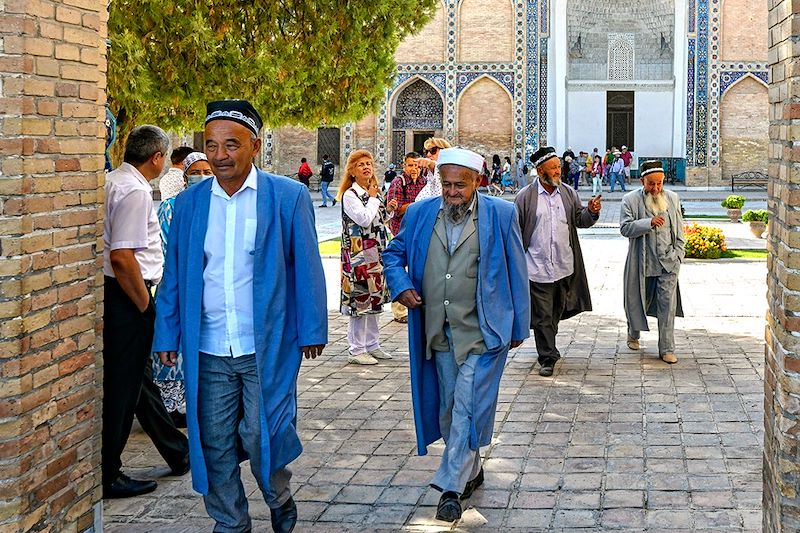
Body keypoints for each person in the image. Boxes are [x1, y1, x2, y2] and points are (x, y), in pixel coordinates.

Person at [153, 100, 328, 533]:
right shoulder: (191, 203)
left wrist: (311, 327)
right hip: (208, 345)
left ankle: (278, 497)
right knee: (212, 441)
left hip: (265, 344)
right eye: (210, 146)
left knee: (262, 434)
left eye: (231, 144)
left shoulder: (286, 197)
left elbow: (306, 265)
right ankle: (231, 522)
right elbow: (175, 273)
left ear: (255, 144)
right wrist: (167, 335)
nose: (220, 155)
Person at [383, 148, 529, 523]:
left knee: (465, 403)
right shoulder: (419, 214)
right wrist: (400, 285)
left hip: (484, 331)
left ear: (477, 182)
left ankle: (450, 487)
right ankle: (472, 467)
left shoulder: (500, 213)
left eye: (459, 186)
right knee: (450, 407)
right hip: (439, 330)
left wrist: (519, 325)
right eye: (446, 184)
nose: (452, 192)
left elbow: (516, 269)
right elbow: (392, 255)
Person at [102, 125, 190, 499]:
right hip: (128, 296)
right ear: (156, 158)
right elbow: (123, 258)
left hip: (122, 295)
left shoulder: (113, 181)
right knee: (124, 388)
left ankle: (178, 452)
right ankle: (108, 471)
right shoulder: (135, 190)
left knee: (139, 383)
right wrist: (144, 307)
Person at [515, 146, 602, 377]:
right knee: (543, 315)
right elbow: (516, 231)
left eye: (558, 167)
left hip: (564, 265)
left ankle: (548, 344)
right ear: (540, 170)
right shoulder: (525, 197)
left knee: (555, 311)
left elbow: (579, 220)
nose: (557, 171)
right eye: (552, 168)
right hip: (536, 266)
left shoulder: (568, 193)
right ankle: (547, 356)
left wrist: (591, 212)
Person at [151, 152, 211, 428]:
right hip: (178, 285)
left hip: (207, 291)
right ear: (186, 176)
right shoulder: (173, 206)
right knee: (173, 346)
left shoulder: (217, 205)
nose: (202, 176)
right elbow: (166, 248)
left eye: (207, 171)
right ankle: (169, 407)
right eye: (196, 171)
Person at [620, 160, 685, 364]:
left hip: (668, 263)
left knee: (667, 305)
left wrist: (678, 256)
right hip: (642, 262)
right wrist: (648, 223)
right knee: (638, 300)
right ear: (642, 181)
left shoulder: (672, 198)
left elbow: (680, 231)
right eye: (651, 184)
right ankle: (634, 333)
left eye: (659, 183)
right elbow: (625, 228)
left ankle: (666, 348)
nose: (656, 188)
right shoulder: (630, 200)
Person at [338, 149, 399, 365]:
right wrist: (374, 199)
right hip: (357, 256)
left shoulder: (372, 192)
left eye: (369, 164)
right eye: (361, 164)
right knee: (360, 301)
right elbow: (363, 219)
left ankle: (372, 344)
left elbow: (378, 219)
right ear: (352, 171)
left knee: (374, 300)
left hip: (375, 254)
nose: (366, 167)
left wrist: (388, 209)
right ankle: (356, 349)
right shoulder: (350, 195)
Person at [386, 153, 426, 324]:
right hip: (401, 229)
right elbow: (396, 210)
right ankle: (399, 310)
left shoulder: (424, 182)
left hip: (419, 229)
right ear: (404, 166)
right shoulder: (398, 183)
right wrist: (418, 204)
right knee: (400, 265)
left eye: (416, 165)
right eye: (410, 165)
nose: (414, 169)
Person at [415, 137, 452, 201]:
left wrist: (430, 163)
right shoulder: (430, 176)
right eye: (426, 151)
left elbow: (437, 167)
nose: (428, 154)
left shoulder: (450, 172)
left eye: (433, 150)